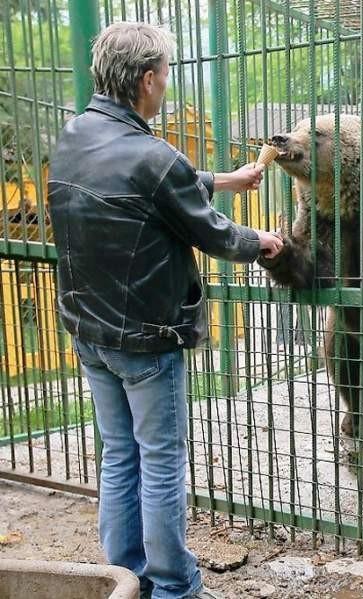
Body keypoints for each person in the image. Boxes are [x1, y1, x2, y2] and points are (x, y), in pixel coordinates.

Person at [47, 22, 283, 599]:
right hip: (146, 342)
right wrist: (263, 242)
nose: (167, 87)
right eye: (168, 76)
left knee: (119, 456)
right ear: (149, 79)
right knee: (159, 466)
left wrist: (225, 179)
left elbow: (153, 180)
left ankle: (126, 576)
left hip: (88, 332)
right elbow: (214, 234)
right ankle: (176, 587)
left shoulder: (75, 136)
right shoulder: (153, 157)